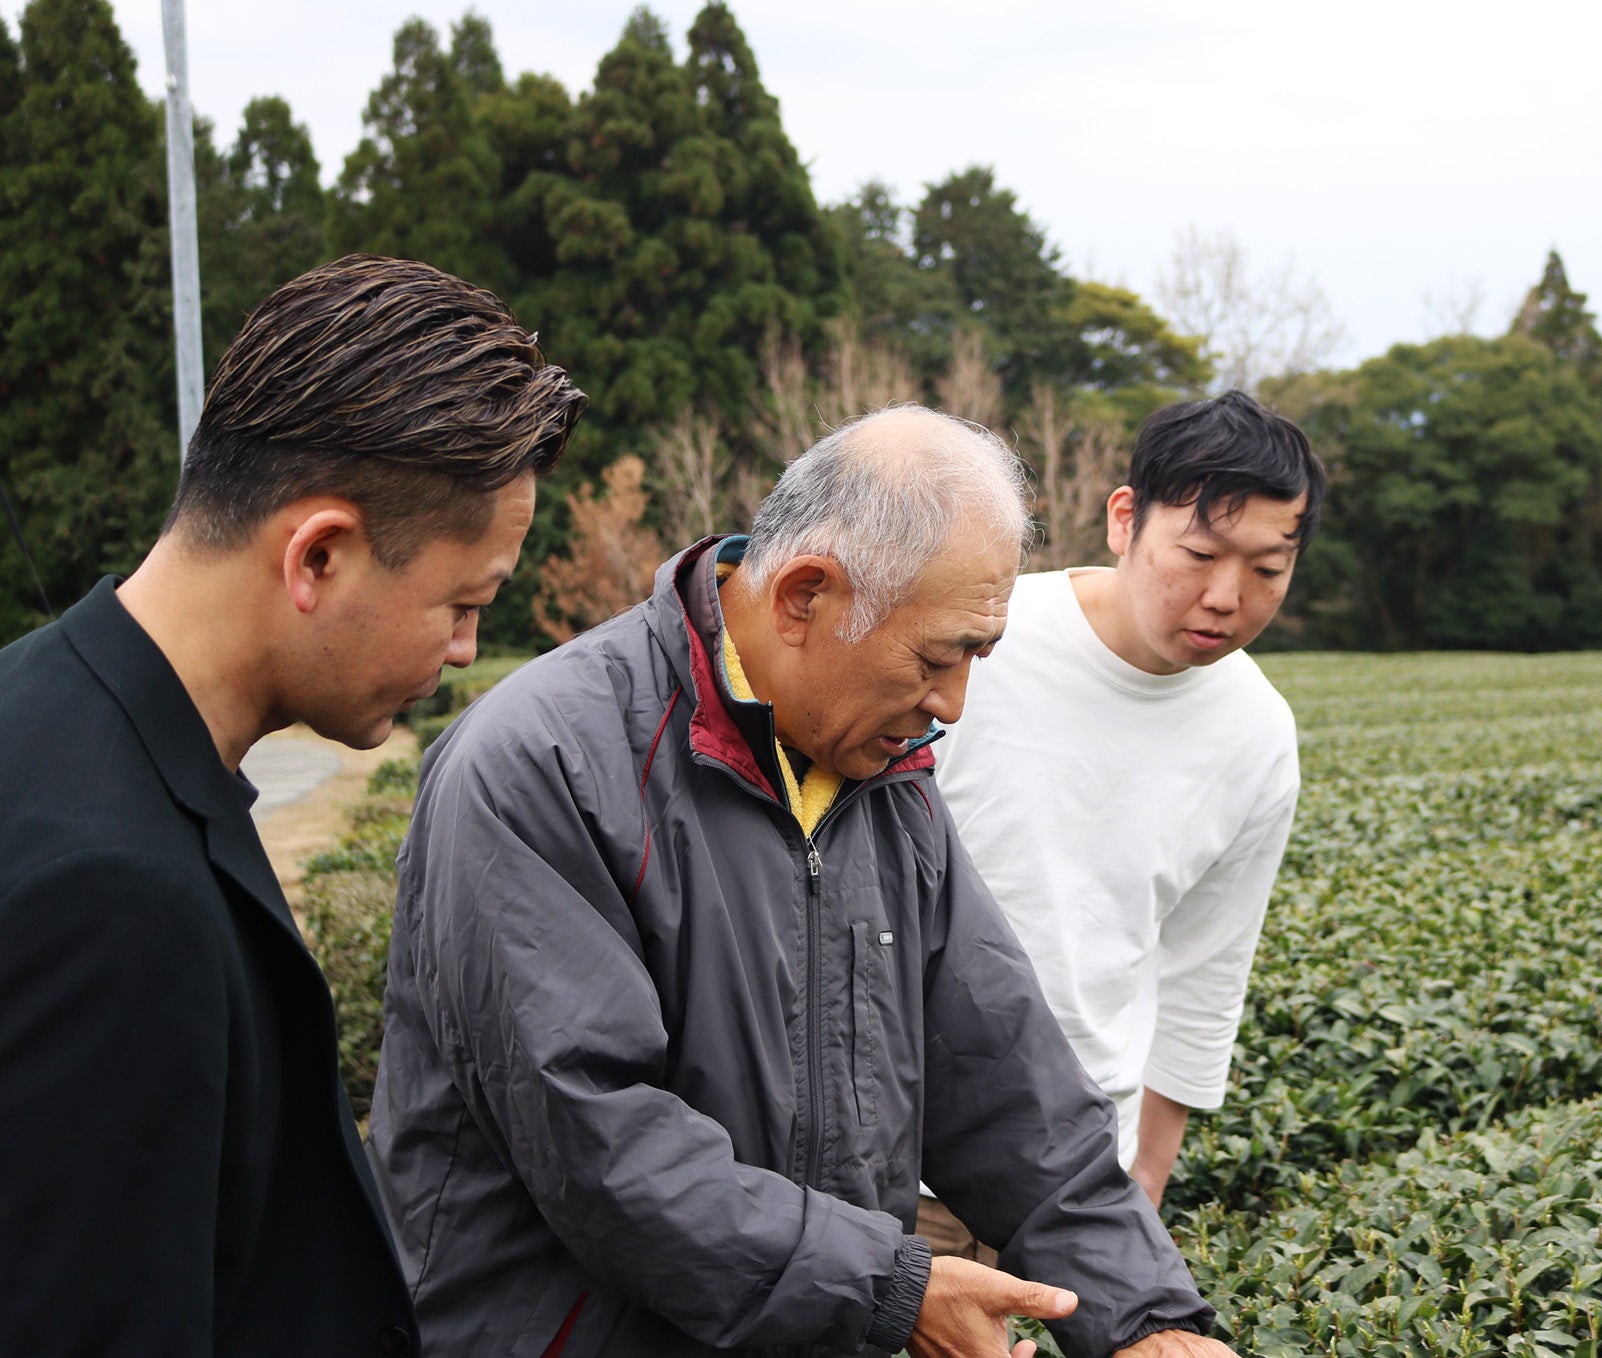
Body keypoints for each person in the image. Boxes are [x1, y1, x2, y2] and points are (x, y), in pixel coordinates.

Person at [368, 406, 1236, 1358]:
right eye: (937, 656)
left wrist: (1144, 1317)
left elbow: (1003, 1077)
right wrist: (890, 1289)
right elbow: (600, 1143)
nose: (953, 704)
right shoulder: (543, 764)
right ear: (803, 597)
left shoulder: (885, 780)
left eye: (976, 658)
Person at [0, 254, 585, 1355]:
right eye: (463, 604)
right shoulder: (113, 899)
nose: (466, 650)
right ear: (318, 556)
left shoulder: (47, 713)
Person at [929, 391, 1319, 1239]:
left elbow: (1205, 970)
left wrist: (1145, 1178)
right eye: (1199, 554)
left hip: (1077, 1169)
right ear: (1124, 520)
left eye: (1266, 570)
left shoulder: (1257, 736)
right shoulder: (980, 643)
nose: (1225, 597)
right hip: (904, 1156)